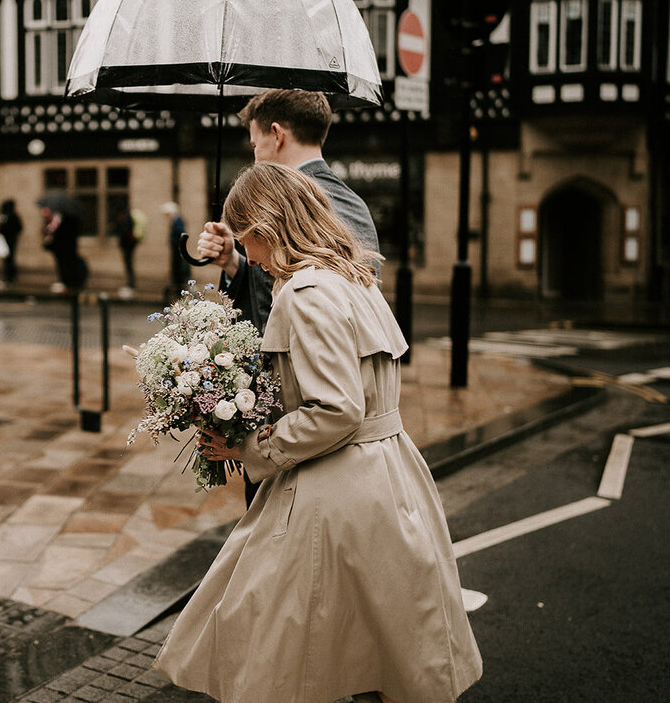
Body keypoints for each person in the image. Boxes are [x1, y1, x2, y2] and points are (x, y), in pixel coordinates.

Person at [155, 161, 482, 703]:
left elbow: (337, 409)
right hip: (389, 475)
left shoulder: (306, 294)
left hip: (339, 490)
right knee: (381, 643)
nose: (249, 256)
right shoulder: (355, 277)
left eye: (246, 240)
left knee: (275, 637)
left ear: (267, 227)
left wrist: (249, 445)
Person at [197, 89, 381, 507]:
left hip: (303, 421)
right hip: (287, 420)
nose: (254, 152)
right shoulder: (288, 203)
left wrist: (260, 443)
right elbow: (277, 290)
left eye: (254, 141)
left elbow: (340, 301)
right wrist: (234, 263)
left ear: (275, 134)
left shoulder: (332, 202)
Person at [42, 205, 88, 293]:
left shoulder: (66, 221)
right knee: (63, 266)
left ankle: (69, 284)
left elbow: (59, 233)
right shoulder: (63, 220)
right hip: (63, 248)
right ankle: (67, 283)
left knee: (66, 266)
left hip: (65, 248)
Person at [114, 204, 145, 297]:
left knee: (129, 264)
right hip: (128, 245)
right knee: (129, 264)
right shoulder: (128, 218)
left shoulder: (127, 220)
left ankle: (131, 284)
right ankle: (131, 283)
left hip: (128, 246)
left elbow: (125, 232)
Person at [161, 201, 190, 296]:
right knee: (175, 267)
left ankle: (179, 287)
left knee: (177, 267)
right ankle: (177, 285)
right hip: (176, 248)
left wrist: (173, 240)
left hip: (177, 248)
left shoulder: (177, 220)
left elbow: (180, 233)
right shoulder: (175, 220)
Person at [0, 199, 23, 286]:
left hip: (9, 239)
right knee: (9, 258)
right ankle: (10, 276)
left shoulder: (7, 216)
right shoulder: (11, 216)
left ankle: (10, 276)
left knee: (9, 259)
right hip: (9, 239)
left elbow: (1, 229)